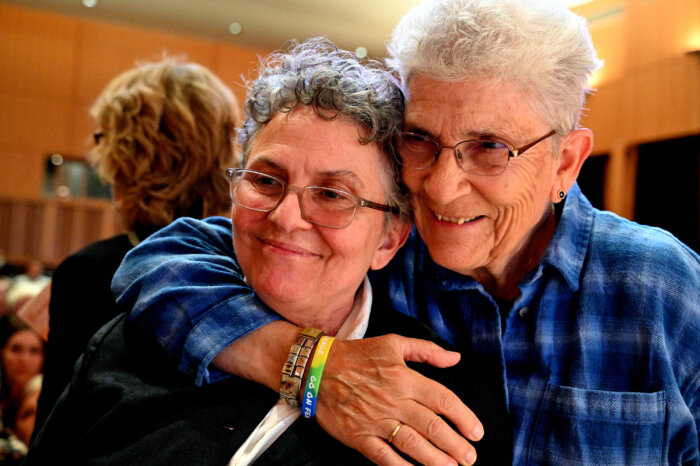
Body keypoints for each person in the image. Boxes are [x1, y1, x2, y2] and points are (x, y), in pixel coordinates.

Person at [111, 1, 700, 464]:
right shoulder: (382, 242)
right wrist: (316, 367)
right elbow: (159, 263)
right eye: (419, 140)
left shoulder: (659, 285)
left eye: (489, 148)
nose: (440, 187)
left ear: (566, 163)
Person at [23, 38, 511, 465]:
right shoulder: (143, 333)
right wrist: (313, 366)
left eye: (332, 194)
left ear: (389, 238)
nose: (285, 217)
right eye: (265, 180)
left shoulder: (446, 403)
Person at [33, 57, 240, 433]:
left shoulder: (93, 272)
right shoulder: (247, 265)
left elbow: (57, 429)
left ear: (132, 155)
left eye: (103, 138)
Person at [0, 317, 44, 433]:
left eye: (34, 351)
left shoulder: (42, 396)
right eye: (16, 349)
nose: (24, 359)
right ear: (2, 353)